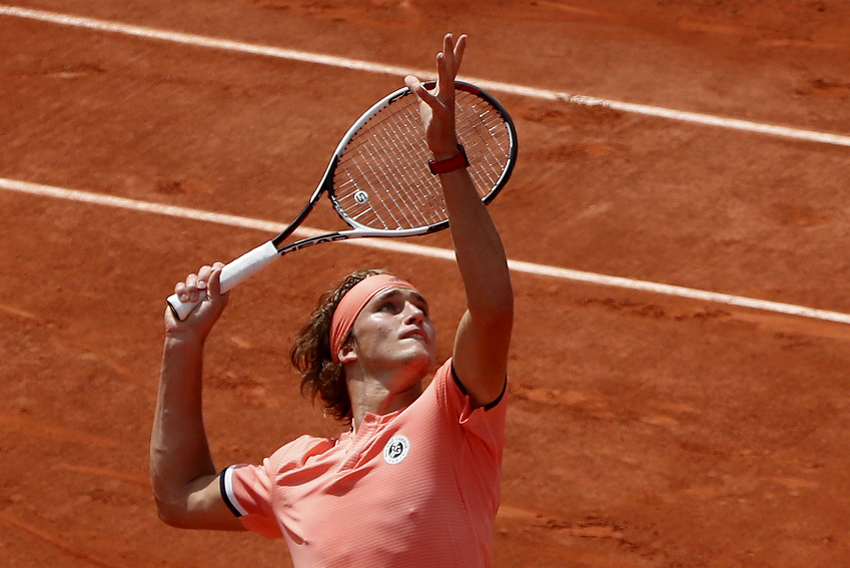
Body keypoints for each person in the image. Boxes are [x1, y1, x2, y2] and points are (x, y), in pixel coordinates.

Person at [150, 33, 513, 567]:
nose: (415, 313)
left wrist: (447, 160)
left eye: (421, 308)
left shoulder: (451, 415)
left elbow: (491, 311)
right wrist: (183, 341)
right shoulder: (293, 471)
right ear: (346, 348)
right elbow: (177, 496)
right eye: (388, 306)